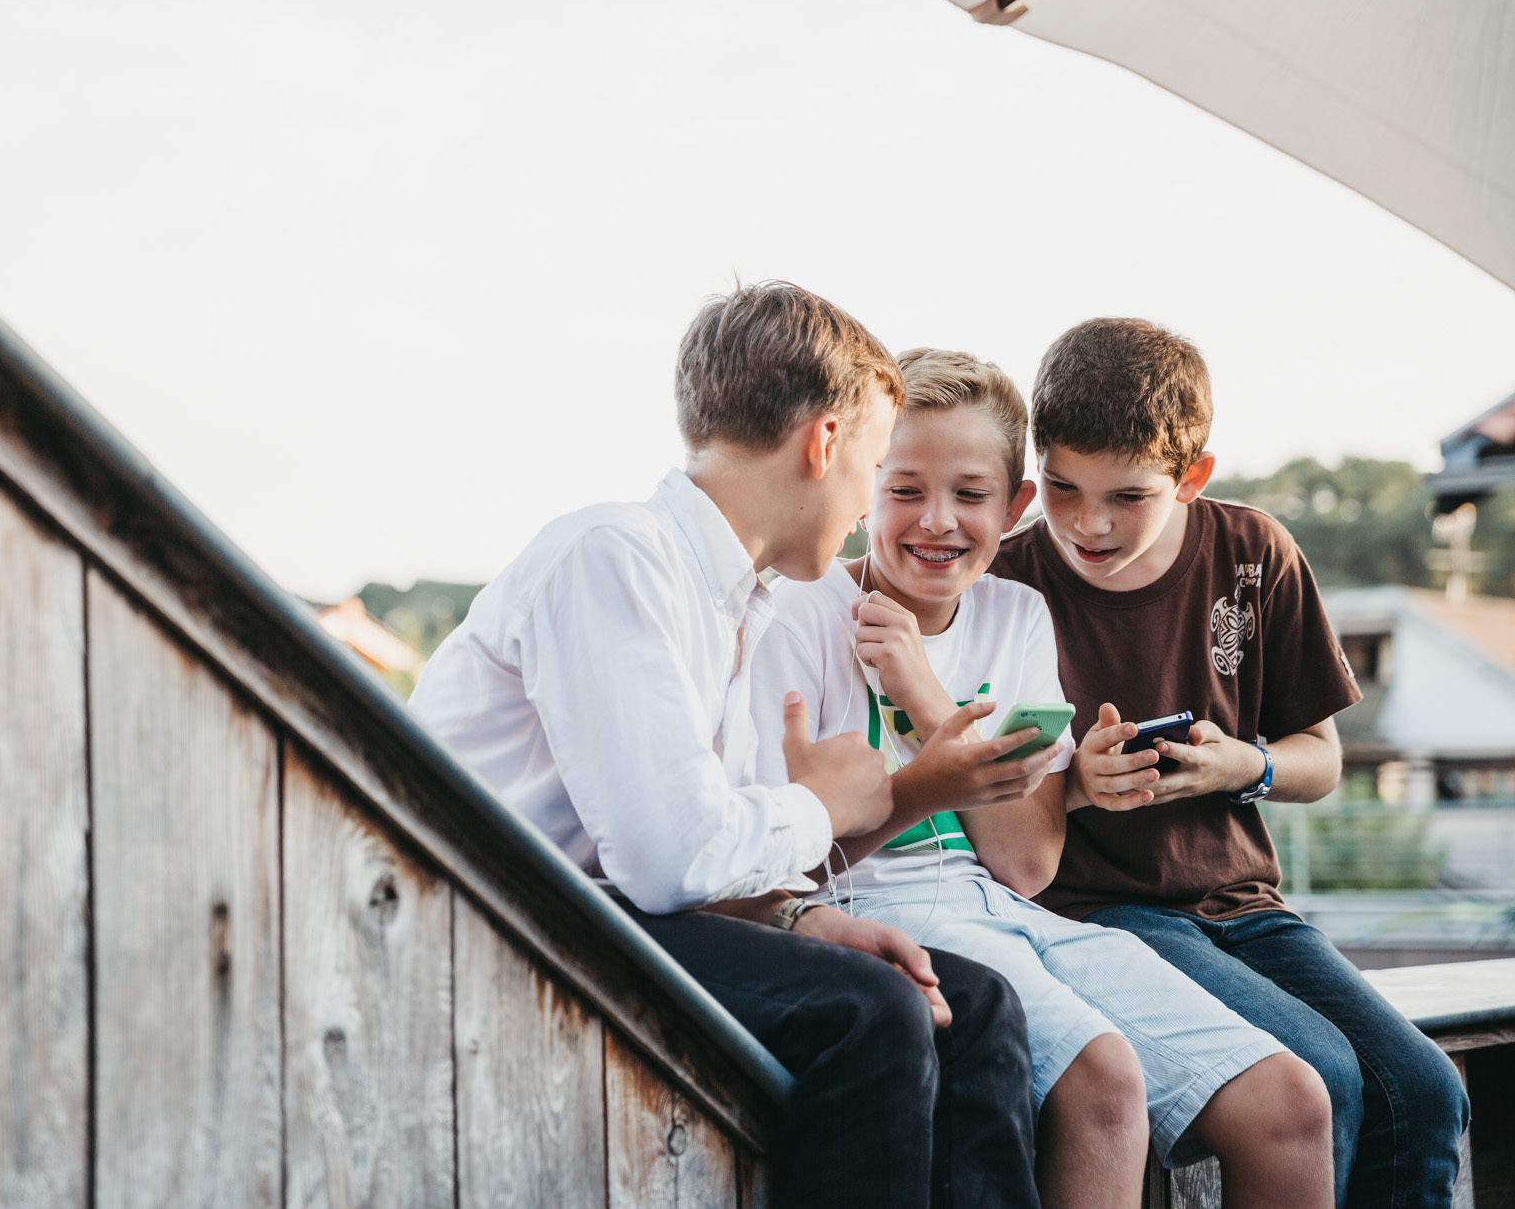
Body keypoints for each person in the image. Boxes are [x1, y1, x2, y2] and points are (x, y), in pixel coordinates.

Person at [410, 281, 1042, 1208]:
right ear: (824, 444)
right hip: (499, 919)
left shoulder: (740, 604)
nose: (869, 508)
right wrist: (826, 800)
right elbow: (671, 857)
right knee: (871, 1014)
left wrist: (805, 917)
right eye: (874, 467)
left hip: (611, 915)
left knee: (975, 1007)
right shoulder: (613, 556)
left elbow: (724, 855)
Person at [752, 347, 1334, 1209]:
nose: (937, 521)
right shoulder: (798, 612)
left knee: (1292, 1103)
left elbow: (1026, 865)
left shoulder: (1016, 614)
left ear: (1014, 506)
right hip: (871, 903)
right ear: (862, 484)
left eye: (971, 495)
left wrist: (920, 689)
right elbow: (787, 856)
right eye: (904, 489)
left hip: (1009, 907)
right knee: (1104, 1083)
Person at [990, 317, 1469, 1207]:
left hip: (1247, 905)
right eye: (1061, 486)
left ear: (1194, 476)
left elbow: (1320, 760)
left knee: (1430, 1090)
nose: (1088, 522)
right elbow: (989, 814)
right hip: (1101, 913)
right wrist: (1080, 788)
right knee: (1321, 1070)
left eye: (1128, 497)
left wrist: (1240, 766)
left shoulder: (1254, 554)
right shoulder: (1004, 579)